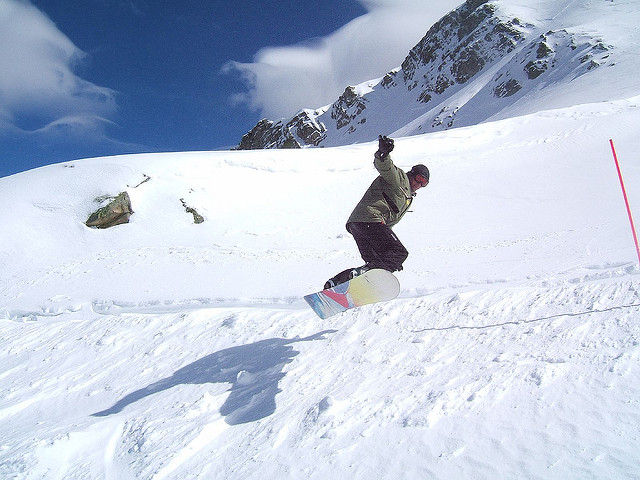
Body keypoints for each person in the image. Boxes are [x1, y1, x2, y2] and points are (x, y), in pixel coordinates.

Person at [324, 135, 430, 289]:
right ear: (412, 173)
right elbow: (386, 167)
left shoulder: (408, 197)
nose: (419, 184)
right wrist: (383, 154)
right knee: (399, 253)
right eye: (419, 179)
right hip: (369, 220)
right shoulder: (400, 179)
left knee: (378, 262)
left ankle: (337, 283)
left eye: (424, 183)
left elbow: (389, 222)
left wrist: (390, 263)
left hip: (359, 224)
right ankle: (365, 273)